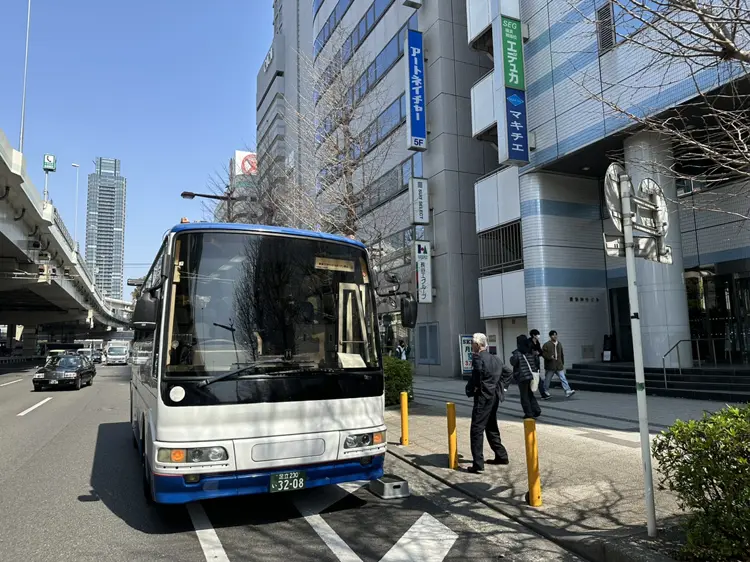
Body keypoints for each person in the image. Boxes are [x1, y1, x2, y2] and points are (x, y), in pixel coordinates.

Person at [464, 332, 513, 473]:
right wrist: (502, 387)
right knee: (491, 425)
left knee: (476, 429)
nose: (471, 346)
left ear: (478, 345)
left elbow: (477, 375)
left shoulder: (478, 358)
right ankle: (501, 455)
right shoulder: (495, 358)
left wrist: (475, 387)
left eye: (472, 344)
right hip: (494, 396)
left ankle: (478, 464)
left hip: (483, 397)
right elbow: (508, 372)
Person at [510, 335, 542, 419]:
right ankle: (536, 410)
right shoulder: (530, 351)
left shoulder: (517, 352)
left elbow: (513, 362)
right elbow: (535, 363)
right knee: (530, 394)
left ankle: (528, 413)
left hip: (522, 377)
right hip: (531, 376)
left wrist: (512, 356)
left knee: (524, 396)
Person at [542, 330, 576, 398]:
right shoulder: (546, 344)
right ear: (550, 336)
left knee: (563, 378)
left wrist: (562, 363)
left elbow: (562, 354)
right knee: (547, 379)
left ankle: (567, 391)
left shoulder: (559, 344)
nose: (555, 336)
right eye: (553, 335)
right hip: (550, 366)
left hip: (559, 365)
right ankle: (545, 391)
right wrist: (549, 357)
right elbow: (543, 354)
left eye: (556, 335)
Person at [529, 329, 551, 400]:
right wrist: (533, 353)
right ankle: (543, 394)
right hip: (531, 363)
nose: (538, 336)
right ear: (533, 335)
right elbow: (528, 352)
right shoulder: (529, 342)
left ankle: (541, 394)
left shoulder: (537, 342)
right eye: (537, 334)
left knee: (536, 379)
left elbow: (540, 351)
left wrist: (539, 353)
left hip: (536, 362)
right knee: (537, 379)